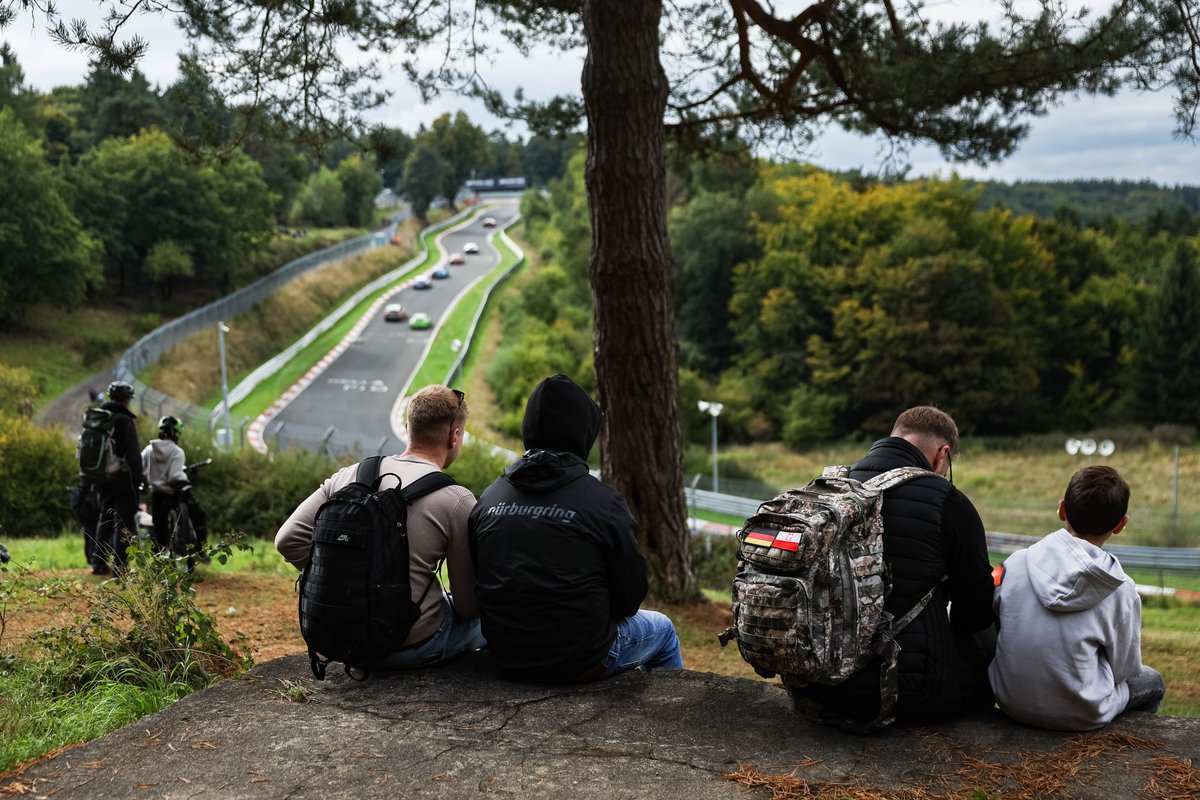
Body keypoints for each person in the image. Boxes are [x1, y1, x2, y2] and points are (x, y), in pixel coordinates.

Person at [469, 373, 683, 683]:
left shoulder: (490, 498)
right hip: (580, 659)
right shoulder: (603, 502)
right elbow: (630, 599)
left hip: (504, 654)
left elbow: (481, 581)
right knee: (663, 629)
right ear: (583, 433)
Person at [788, 405, 996, 724]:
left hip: (811, 682)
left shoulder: (826, 489)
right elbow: (976, 611)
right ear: (942, 454)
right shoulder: (947, 500)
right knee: (989, 637)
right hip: (905, 693)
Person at [275, 385, 484, 668]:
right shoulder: (457, 500)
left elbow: (287, 540)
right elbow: (466, 605)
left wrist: (345, 578)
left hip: (343, 638)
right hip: (409, 645)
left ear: (408, 427)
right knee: (484, 625)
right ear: (454, 436)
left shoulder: (350, 475)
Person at [989, 466, 1165, 730]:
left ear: (1062, 510)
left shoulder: (1017, 562)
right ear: (1120, 525)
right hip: (1082, 714)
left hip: (1010, 701)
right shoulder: (1121, 589)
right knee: (1153, 681)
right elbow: (1125, 671)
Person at [91, 380, 145, 576]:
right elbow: (133, 455)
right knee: (125, 523)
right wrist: (138, 480)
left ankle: (98, 563)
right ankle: (120, 567)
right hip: (121, 477)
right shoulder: (124, 420)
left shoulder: (100, 417)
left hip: (102, 476)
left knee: (105, 517)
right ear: (126, 400)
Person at [141, 416, 207, 556]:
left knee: (159, 530)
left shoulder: (148, 450)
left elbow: (140, 468)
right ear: (177, 433)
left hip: (157, 494)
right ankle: (201, 550)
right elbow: (175, 475)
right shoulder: (177, 452)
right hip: (176, 494)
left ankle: (158, 557)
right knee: (198, 515)